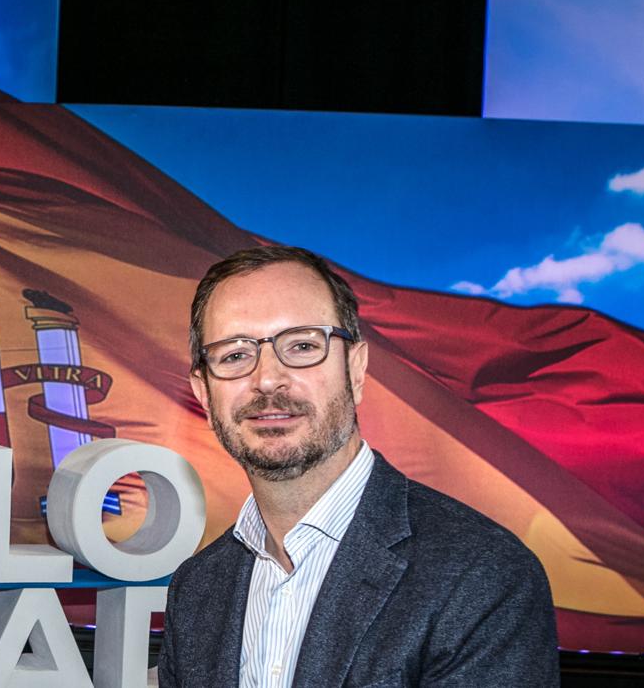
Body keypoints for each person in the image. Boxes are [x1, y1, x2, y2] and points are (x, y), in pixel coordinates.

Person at [158, 246, 559, 687]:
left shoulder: (482, 575)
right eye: (234, 355)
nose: (267, 379)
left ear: (356, 369)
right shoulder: (195, 589)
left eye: (303, 346)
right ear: (203, 392)